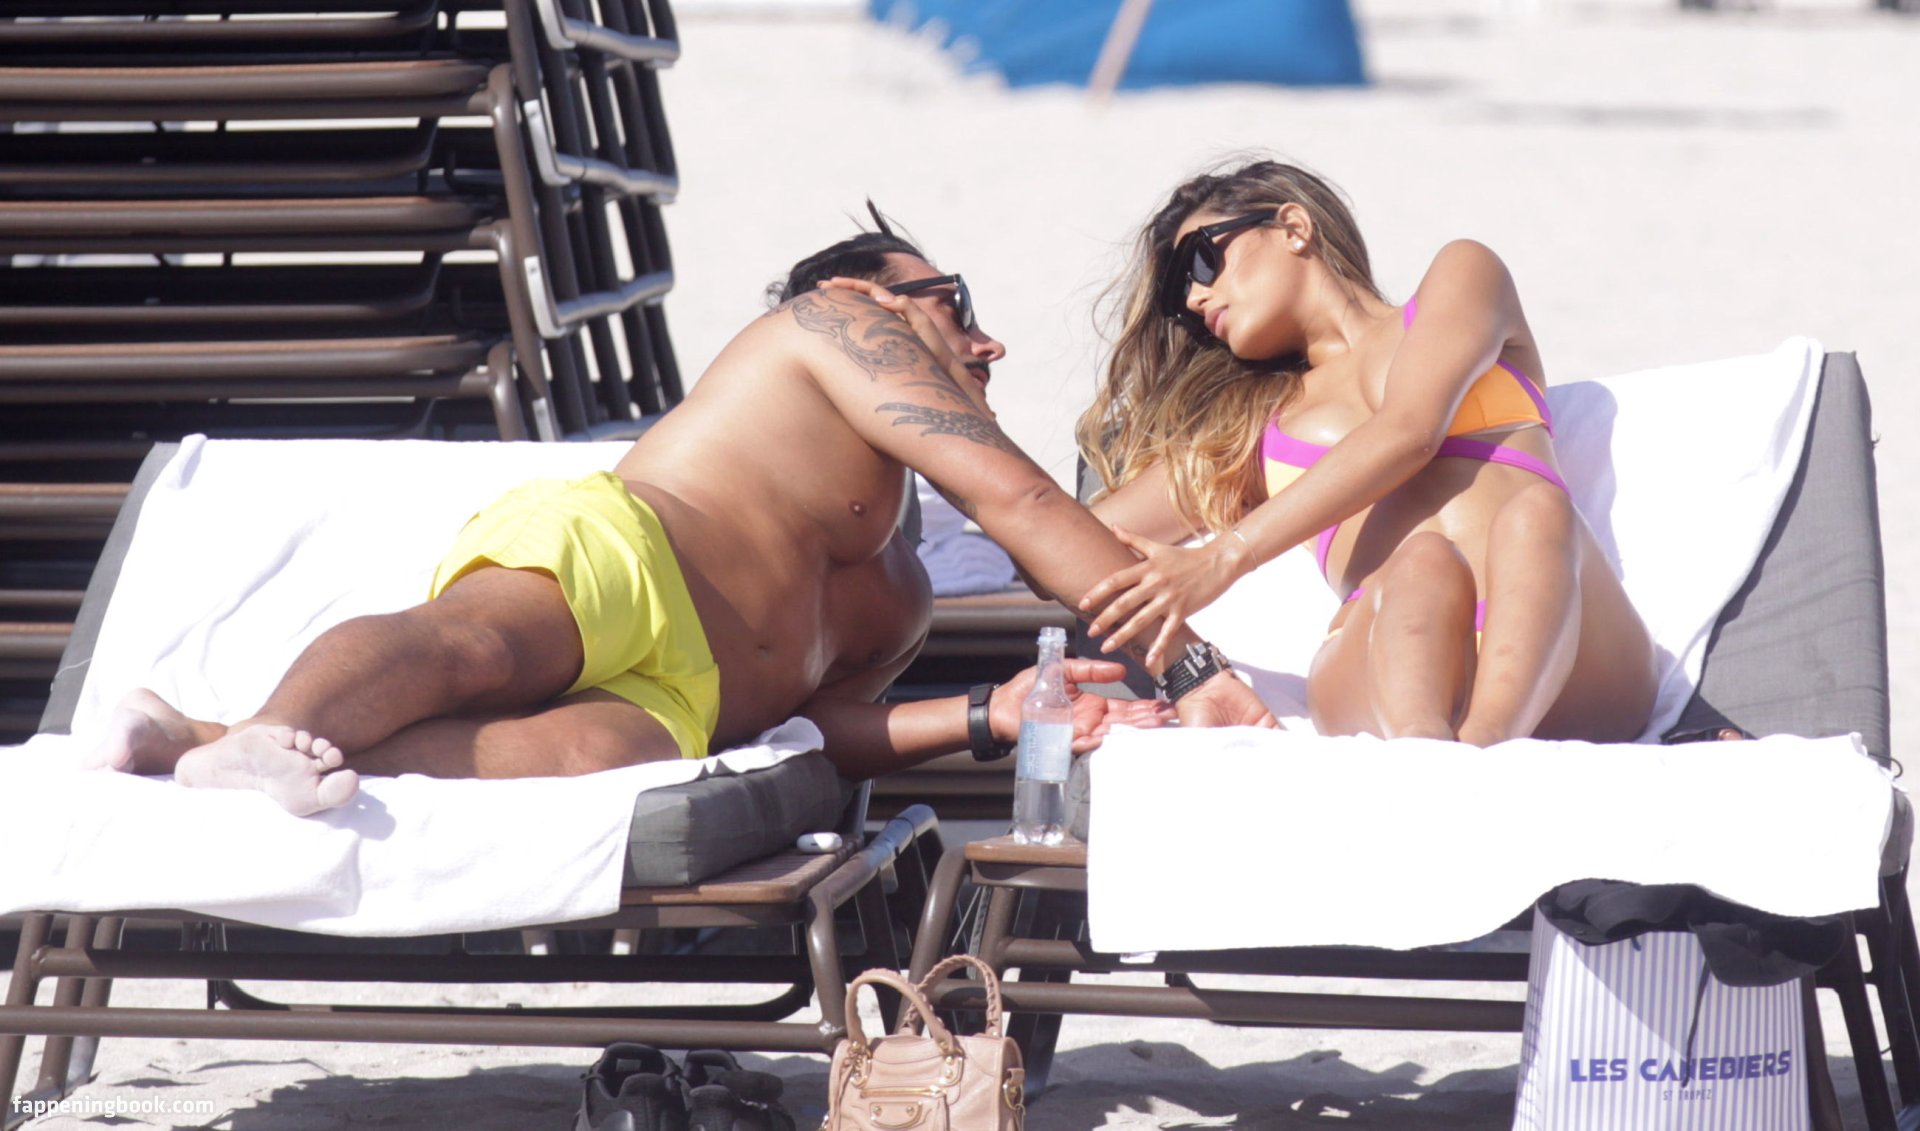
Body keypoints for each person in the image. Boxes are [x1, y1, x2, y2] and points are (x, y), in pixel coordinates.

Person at [89, 212, 1275, 815]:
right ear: (861, 297)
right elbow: (1015, 494)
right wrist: (1192, 667)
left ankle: (194, 745)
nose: (986, 338)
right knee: (477, 646)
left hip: (686, 708)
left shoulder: (898, 586)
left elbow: (819, 730)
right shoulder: (828, 325)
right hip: (635, 547)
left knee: (567, 763)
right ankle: (276, 725)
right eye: (950, 303)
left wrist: (989, 713)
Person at [1076, 160, 1656, 746]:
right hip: (1388, 663)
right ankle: (1433, 753)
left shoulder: (1463, 278)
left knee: (1538, 512)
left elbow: (1410, 431)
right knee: (1422, 561)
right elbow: (1070, 538)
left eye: (1201, 261)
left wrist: (1223, 557)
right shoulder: (1245, 429)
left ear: (1293, 227)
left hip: (1572, 659)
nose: (1197, 296)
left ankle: (1480, 748)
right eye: (1179, 297)